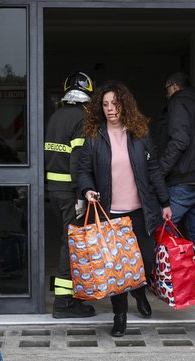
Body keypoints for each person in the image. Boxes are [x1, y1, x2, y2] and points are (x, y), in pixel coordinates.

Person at [77, 82, 172, 336]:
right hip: (111, 213)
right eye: (105, 104)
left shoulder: (140, 133)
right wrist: (87, 189)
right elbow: (83, 170)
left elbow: (153, 171)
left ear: (125, 105)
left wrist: (165, 202)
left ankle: (139, 291)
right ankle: (119, 316)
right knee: (116, 268)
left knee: (145, 260)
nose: (110, 109)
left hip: (140, 211)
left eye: (115, 104)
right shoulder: (94, 136)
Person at [44, 72, 97, 319]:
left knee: (66, 241)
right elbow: (77, 159)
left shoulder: (55, 116)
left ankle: (69, 297)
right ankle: (63, 303)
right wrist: (80, 194)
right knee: (71, 244)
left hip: (54, 189)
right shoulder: (81, 119)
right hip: (69, 192)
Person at [158, 72, 195, 289]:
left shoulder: (178, 103)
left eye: (166, 90)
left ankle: (170, 280)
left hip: (181, 180)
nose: (166, 95)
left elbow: (179, 142)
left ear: (172, 86)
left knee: (165, 230)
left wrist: (160, 171)